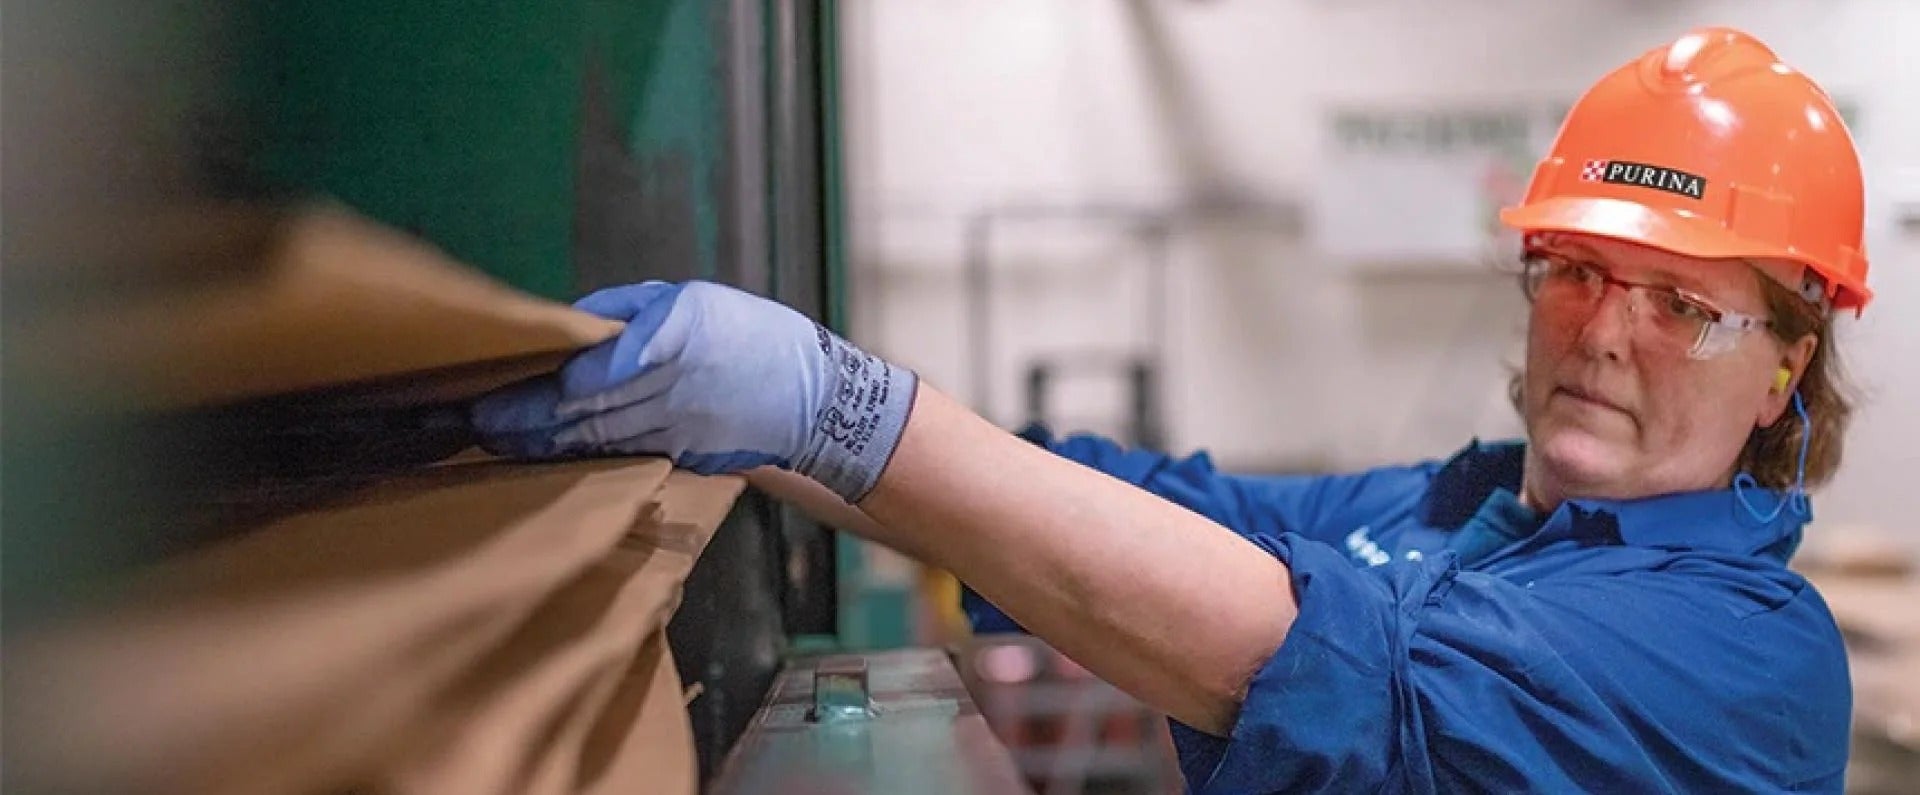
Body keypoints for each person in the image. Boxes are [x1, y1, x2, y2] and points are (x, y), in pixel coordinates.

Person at [471, 26, 1873, 793]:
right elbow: (1158, 513)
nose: (1607, 331)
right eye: (1575, 268)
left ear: (1783, 372)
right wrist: (749, 421)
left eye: (1683, 304)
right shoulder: (1449, 509)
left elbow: (1328, 671)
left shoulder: (1751, 662)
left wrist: (834, 408)